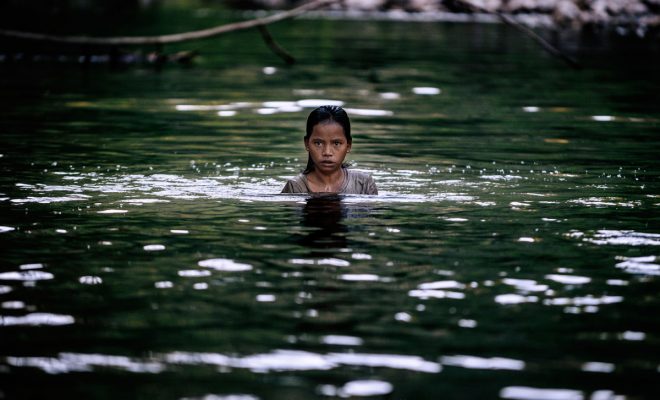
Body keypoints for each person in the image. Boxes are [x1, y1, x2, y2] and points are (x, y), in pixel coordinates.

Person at [281, 105, 378, 195]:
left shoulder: (364, 185)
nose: (327, 152)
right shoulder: (295, 188)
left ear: (348, 145)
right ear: (307, 144)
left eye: (336, 143)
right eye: (318, 143)